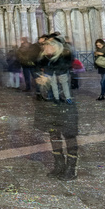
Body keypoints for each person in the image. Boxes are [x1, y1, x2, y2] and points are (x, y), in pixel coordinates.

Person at [35, 37, 79, 180]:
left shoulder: (64, 62)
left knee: (69, 136)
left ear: (55, 47)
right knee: (54, 135)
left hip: (65, 105)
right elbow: (44, 85)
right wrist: (43, 83)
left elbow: (69, 83)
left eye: (47, 46)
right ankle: (59, 165)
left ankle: (71, 168)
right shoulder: (45, 63)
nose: (44, 48)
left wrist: (48, 79)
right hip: (50, 105)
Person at [38, 33, 73, 104]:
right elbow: (42, 62)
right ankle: (56, 98)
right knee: (54, 84)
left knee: (64, 84)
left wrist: (64, 67)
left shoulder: (62, 51)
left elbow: (67, 61)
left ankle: (68, 98)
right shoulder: (46, 53)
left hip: (61, 70)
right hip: (50, 71)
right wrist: (43, 68)